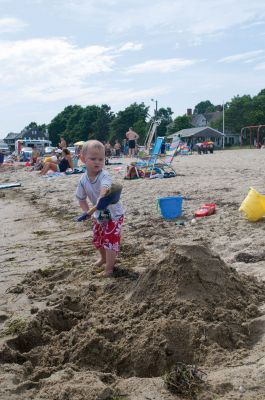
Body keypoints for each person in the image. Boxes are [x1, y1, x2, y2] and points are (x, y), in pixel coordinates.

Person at [76, 140, 124, 276]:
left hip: (114, 215)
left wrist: (100, 199)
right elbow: (81, 198)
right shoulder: (83, 180)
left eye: (101, 159)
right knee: (98, 238)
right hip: (99, 215)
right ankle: (103, 258)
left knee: (110, 239)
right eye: (92, 159)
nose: (97, 162)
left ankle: (109, 268)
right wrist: (87, 212)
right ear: (82, 159)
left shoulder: (104, 175)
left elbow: (105, 189)